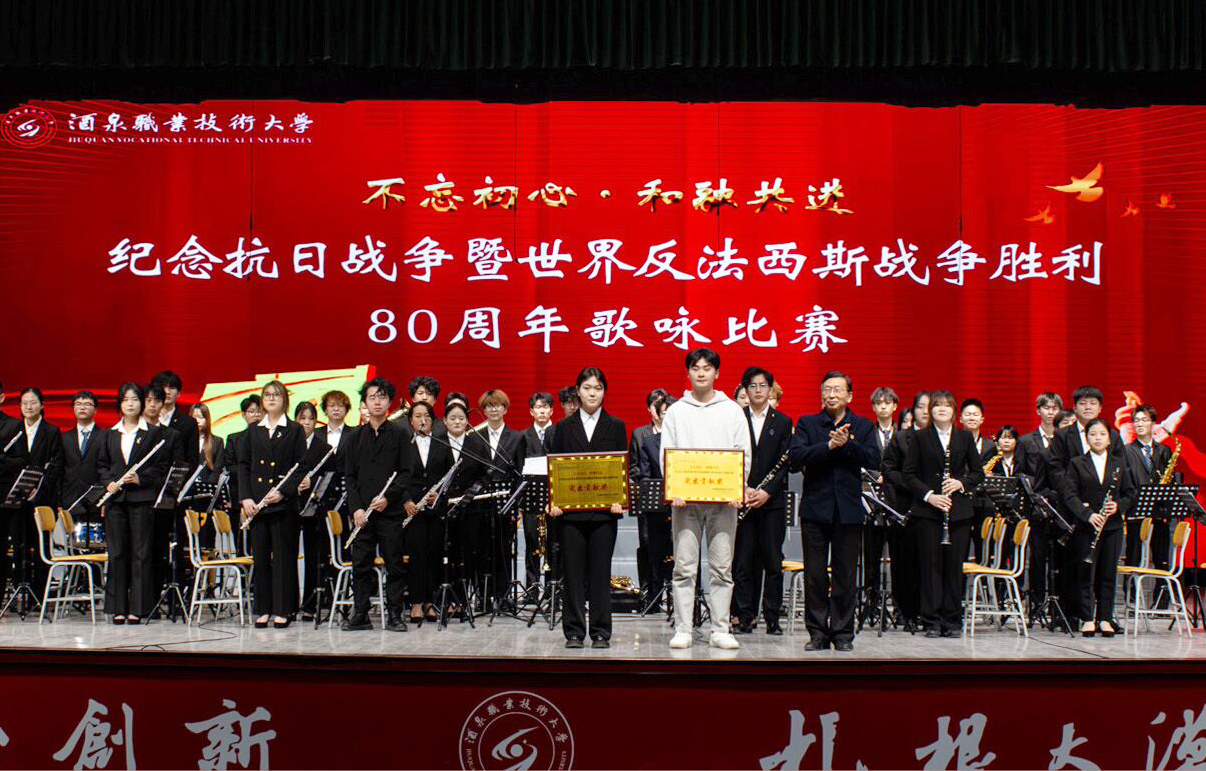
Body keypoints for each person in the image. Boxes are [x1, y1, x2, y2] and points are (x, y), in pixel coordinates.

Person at [661, 348, 751, 650]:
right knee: (684, 568)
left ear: (717, 373)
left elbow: (743, 453)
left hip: (723, 504)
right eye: (695, 368)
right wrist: (674, 488)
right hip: (685, 503)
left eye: (707, 368)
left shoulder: (732, 410)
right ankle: (683, 628)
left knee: (722, 569)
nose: (701, 373)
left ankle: (720, 629)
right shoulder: (677, 411)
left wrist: (738, 488)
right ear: (688, 373)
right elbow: (667, 452)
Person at [790, 371, 878, 651]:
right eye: (826, 389)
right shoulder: (807, 423)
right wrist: (828, 445)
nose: (831, 395)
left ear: (849, 395)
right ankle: (817, 633)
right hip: (815, 509)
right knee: (815, 574)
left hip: (848, 510)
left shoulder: (863, 425)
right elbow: (796, 458)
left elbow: (874, 459)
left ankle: (842, 634)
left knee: (845, 575)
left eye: (837, 390)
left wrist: (848, 444)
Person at [548, 367, 627, 648]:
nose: (592, 393)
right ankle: (573, 632)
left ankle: (601, 632)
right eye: (587, 388)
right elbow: (554, 466)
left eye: (598, 388)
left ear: (604, 391)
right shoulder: (563, 427)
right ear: (578, 391)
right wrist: (555, 500)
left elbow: (621, 466)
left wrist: (620, 499)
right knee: (572, 574)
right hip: (570, 515)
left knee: (600, 574)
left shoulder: (616, 425)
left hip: (605, 514)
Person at [903, 390, 984, 638]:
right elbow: (908, 474)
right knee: (930, 567)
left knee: (953, 567)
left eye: (947, 405)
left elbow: (977, 473)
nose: (942, 409)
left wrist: (961, 483)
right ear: (930, 411)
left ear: (954, 411)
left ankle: (952, 620)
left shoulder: (964, 437)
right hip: (928, 512)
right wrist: (929, 496)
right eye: (937, 405)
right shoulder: (919, 437)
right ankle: (931, 621)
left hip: (958, 512)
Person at [341, 377, 411, 632]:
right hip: (363, 515)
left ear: (389, 402)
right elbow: (349, 477)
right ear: (365, 403)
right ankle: (361, 614)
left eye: (382, 397)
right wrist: (357, 509)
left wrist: (387, 498)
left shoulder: (400, 434)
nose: (377, 402)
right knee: (361, 564)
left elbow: (406, 473)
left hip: (390, 512)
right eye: (372, 397)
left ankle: (394, 615)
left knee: (394, 564)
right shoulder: (354, 437)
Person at [236, 380, 308, 629]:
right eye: (267, 394)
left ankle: (283, 609)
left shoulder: (294, 429)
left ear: (284, 399)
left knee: (284, 557)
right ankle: (263, 608)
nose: (271, 398)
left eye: (276, 394)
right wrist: (245, 498)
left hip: (283, 504)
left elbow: (301, 466)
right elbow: (243, 465)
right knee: (261, 557)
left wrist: (284, 492)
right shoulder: (253, 430)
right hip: (257, 504)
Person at [98, 383, 170, 624]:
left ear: (142, 403)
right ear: (120, 403)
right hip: (116, 501)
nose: (130, 404)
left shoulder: (153, 434)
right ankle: (117, 607)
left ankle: (138, 608)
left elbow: (161, 468)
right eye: (125, 399)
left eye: (135, 399)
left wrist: (142, 478)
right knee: (117, 553)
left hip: (142, 500)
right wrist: (108, 482)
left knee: (141, 554)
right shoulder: (109, 433)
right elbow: (102, 466)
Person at [1060, 417, 1135, 637]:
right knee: (1086, 573)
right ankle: (1087, 618)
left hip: (1112, 527)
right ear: (1087, 438)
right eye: (1093, 434)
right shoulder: (1076, 463)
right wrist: (1088, 515)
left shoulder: (1119, 463)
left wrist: (1118, 506)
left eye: (1102, 434)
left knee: (1108, 573)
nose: (1098, 438)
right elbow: (1069, 495)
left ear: (1110, 439)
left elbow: (1131, 493)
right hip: (1087, 527)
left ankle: (1105, 618)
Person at [732, 366, 792, 635]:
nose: (757, 390)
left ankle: (772, 617)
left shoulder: (783, 421)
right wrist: (742, 488)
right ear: (746, 390)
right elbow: (729, 456)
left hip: (772, 502)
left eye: (762, 385)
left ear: (770, 389)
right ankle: (745, 615)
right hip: (742, 499)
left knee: (773, 563)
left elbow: (785, 463)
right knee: (743, 562)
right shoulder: (736, 418)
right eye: (752, 386)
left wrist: (767, 491)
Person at [883, 391, 930, 629]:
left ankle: (927, 612)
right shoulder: (901, 438)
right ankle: (904, 611)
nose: (925, 411)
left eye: (929, 406)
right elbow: (888, 468)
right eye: (920, 407)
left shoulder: (945, 439)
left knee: (928, 564)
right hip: (904, 508)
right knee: (903, 563)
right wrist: (911, 483)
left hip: (932, 510)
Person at [405, 400, 451, 622]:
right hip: (412, 509)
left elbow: (449, 476)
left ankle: (429, 601)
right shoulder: (404, 444)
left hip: (434, 509)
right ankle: (415, 602)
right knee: (416, 555)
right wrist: (406, 500)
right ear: (410, 421)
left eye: (427, 416)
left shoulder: (442, 443)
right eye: (418, 416)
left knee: (434, 554)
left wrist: (439, 495)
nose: (423, 420)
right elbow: (398, 476)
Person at [862, 386, 899, 622]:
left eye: (887, 403)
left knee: (899, 558)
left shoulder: (903, 434)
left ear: (895, 406)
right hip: (872, 504)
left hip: (896, 504)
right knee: (871, 559)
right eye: (879, 403)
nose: (883, 407)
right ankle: (871, 602)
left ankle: (900, 604)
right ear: (873, 407)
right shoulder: (867, 433)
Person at [635, 396, 675, 612]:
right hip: (657, 506)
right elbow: (644, 474)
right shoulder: (649, 442)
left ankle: (681, 600)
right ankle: (654, 598)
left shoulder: (687, 442)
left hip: (684, 507)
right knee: (655, 553)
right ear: (658, 416)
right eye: (665, 413)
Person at [628, 388, 669, 597]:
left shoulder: (674, 432)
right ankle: (648, 589)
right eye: (655, 405)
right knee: (647, 543)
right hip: (649, 495)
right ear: (649, 408)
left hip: (670, 499)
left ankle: (667, 588)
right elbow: (634, 466)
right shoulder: (640, 433)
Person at [1124, 404, 1173, 569]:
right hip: (1136, 512)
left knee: (1161, 559)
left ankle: (1162, 587)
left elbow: (1170, 482)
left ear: (1153, 423)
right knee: (1133, 558)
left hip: (1159, 512)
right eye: (1136, 420)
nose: (1140, 424)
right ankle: (1131, 587)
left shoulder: (1164, 450)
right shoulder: (1126, 451)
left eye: (1144, 420)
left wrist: (1167, 510)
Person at [517, 391, 557, 591]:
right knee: (532, 542)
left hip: (554, 498)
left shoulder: (559, 433)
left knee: (554, 543)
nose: (542, 411)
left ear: (552, 410)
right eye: (538, 407)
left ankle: (552, 587)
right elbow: (519, 467)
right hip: (531, 498)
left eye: (545, 407)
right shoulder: (523, 436)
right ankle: (532, 588)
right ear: (531, 411)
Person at [61, 390, 109, 525]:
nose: (82, 407)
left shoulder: (106, 436)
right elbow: (60, 470)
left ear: (96, 410)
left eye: (87, 404)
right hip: (69, 500)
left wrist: (106, 499)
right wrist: (59, 501)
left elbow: (108, 468)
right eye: (78, 404)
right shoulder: (64, 437)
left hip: (96, 501)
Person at [151, 371, 200, 466]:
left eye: (172, 388)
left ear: (178, 393)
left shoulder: (189, 423)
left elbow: (192, 459)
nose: (167, 392)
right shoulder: (145, 419)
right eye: (163, 387)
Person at [190, 402, 225, 484]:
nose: (197, 421)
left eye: (201, 417)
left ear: (207, 419)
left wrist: (207, 485)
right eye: (194, 417)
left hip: (208, 487)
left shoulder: (217, 442)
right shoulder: (184, 440)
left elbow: (217, 469)